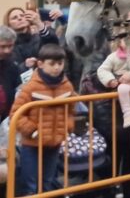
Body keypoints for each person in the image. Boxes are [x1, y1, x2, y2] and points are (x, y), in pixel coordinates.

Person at [11, 43, 75, 196]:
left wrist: (67, 127)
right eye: (52, 64)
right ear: (40, 64)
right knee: (31, 183)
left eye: (60, 63)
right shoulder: (30, 87)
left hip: (54, 143)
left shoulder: (67, 86)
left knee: (47, 181)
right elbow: (16, 114)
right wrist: (33, 131)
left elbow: (71, 110)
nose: (57, 67)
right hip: (32, 144)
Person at [97, 24, 130, 128]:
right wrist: (110, 80)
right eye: (125, 40)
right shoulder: (113, 57)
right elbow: (102, 69)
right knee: (122, 89)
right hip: (124, 83)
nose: (129, 43)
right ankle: (127, 113)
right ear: (119, 42)